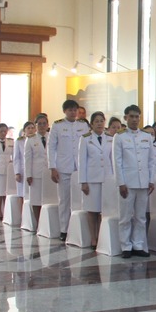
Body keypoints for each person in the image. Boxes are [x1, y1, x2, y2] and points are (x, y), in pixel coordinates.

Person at [113, 104, 154, 258]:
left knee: (141, 217)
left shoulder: (146, 136)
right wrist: (121, 183)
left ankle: (138, 244)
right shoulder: (120, 136)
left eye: (137, 116)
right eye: (131, 116)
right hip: (127, 183)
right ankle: (126, 246)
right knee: (125, 216)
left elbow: (151, 161)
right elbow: (117, 161)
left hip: (143, 182)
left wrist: (151, 180)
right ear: (126, 118)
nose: (135, 119)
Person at [48, 99, 90, 241]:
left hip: (79, 168)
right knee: (64, 200)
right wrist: (52, 167)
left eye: (75, 110)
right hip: (63, 167)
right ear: (65, 111)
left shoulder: (83, 125)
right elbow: (51, 147)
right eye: (70, 110)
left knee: (80, 199)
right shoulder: (58, 125)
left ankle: (79, 228)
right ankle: (64, 229)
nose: (73, 112)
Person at [78, 112, 112, 249]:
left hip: (107, 179)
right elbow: (82, 162)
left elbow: (113, 159)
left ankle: (102, 236)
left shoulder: (110, 138)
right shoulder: (86, 139)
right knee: (92, 210)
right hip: (92, 179)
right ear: (91, 124)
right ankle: (93, 237)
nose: (99, 123)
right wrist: (83, 181)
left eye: (101, 121)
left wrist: (115, 179)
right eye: (96, 121)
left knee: (104, 210)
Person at [24, 114, 50, 226]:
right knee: (36, 199)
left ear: (48, 125)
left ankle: (47, 223)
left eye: (44, 123)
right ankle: (38, 223)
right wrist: (28, 174)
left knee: (49, 198)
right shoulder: (30, 139)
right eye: (39, 124)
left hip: (49, 172)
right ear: (35, 126)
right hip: (36, 173)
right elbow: (27, 159)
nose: (42, 126)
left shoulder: (52, 136)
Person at [11, 121, 36, 215]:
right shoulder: (19, 141)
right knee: (21, 194)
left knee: (33, 193)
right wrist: (17, 172)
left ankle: (32, 214)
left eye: (32, 128)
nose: (30, 130)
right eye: (28, 128)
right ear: (24, 130)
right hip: (22, 170)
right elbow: (16, 158)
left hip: (34, 170)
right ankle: (22, 215)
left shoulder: (36, 139)